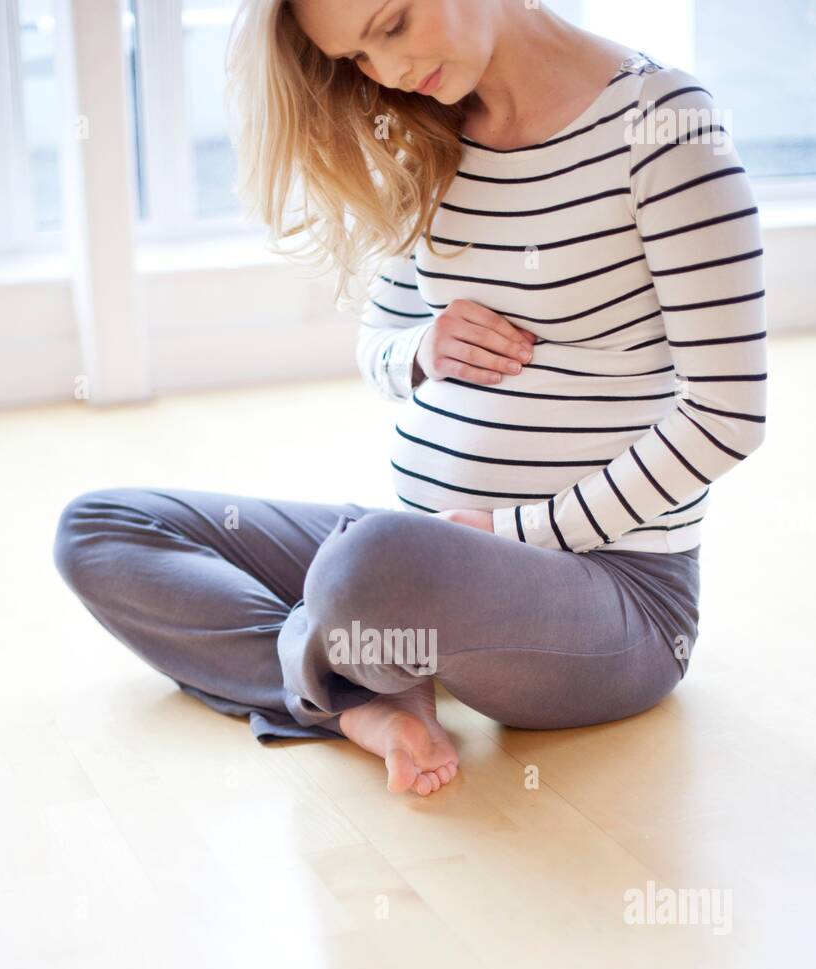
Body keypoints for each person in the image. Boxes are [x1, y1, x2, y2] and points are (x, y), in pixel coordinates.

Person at [53, 0, 767, 796]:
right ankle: (362, 700)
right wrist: (422, 349)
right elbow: (379, 349)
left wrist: (519, 532)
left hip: (612, 595)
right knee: (101, 528)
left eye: (391, 26)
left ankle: (351, 668)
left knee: (365, 569)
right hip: (424, 562)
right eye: (357, 56)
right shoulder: (427, 127)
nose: (387, 72)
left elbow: (727, 413)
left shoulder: (665, 128)